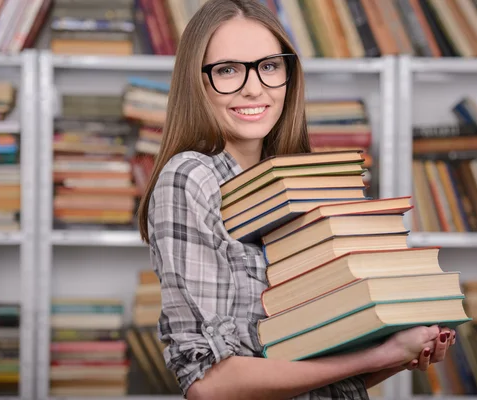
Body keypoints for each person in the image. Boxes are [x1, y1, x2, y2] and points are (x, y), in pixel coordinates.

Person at [137, 1, 456, 399]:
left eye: (269, 66)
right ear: (197, 82)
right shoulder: (191, 178)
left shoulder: (297, 180)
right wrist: (376, 357)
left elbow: (323, 381)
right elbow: (210, 386)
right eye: (228, 70)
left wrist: (398, 352)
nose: (254, 87)